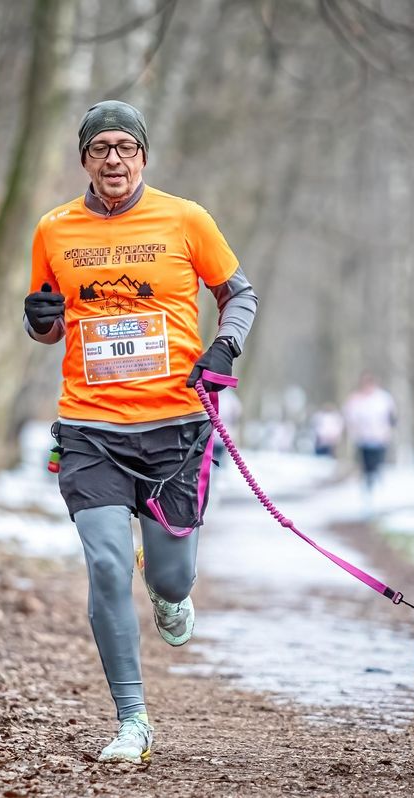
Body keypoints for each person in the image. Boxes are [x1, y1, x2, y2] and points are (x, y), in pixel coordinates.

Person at [24, 101, 257, 764]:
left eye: (126, 146)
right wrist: (38, 318)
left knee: (173, 575)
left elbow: (238, 293)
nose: (114, 159)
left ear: (144, 156)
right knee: (104, 562)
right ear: (84, 160)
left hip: (176, 427)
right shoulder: (54, 229)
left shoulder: (186, 219)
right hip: (90, 426)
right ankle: (133, 720)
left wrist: (224, 347)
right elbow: (48, 323)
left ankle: (171, 593)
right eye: (101, 148)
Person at [342, 372, 396, 489]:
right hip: (363, 438)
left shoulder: (383, 399)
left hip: (379, 438)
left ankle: (376, 483)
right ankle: (367, 484)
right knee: (365, 465)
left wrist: (388, 430)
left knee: (376, 463)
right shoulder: (355, 399)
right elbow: (349, 417)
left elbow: (392, 417)